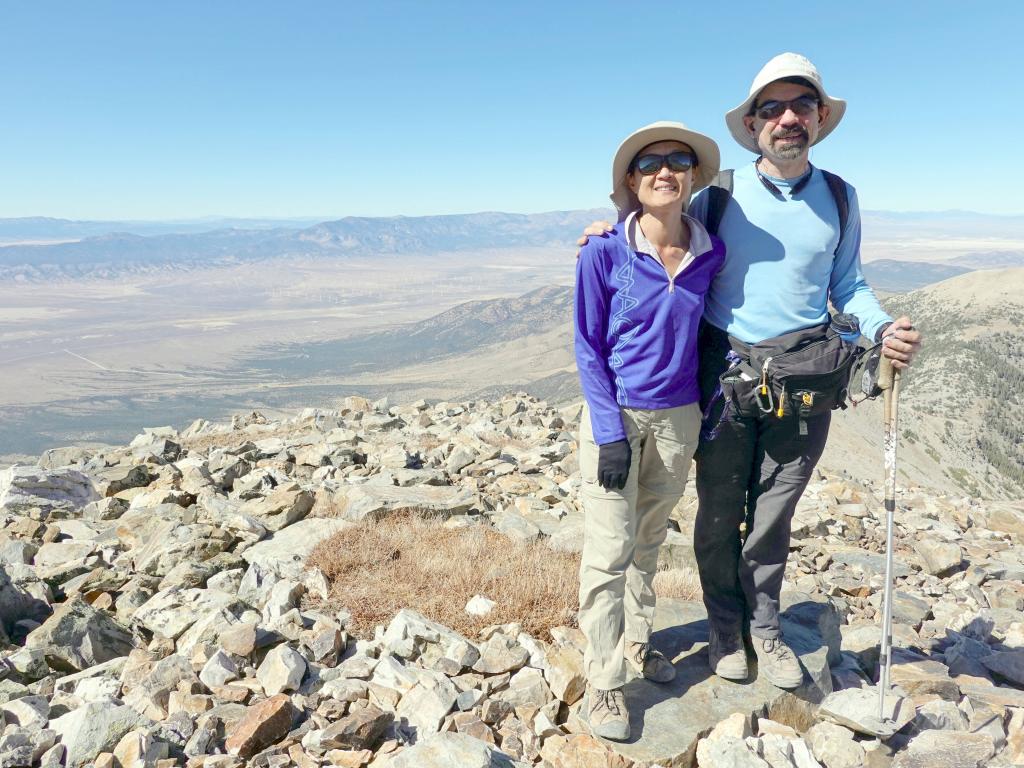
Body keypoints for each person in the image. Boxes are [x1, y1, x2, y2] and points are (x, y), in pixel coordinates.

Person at [576, 53, 923, 691]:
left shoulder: (841, 198)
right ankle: (724, 629)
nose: (788, 119)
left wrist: (880, 328)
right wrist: (608, 229)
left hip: (803, 380)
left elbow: (847, 282)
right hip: (723, 379)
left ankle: (765, 628)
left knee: (773, 514)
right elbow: (658, 233)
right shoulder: (718, 196)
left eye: (801, 107)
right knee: (715, 513)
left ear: (819, 119)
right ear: (754, 123)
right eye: (773, 108)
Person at [574, 121, 725, 740]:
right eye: (651, 163)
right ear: (632, 182)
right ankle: (604, 683)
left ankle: (636, 643)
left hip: (678, 417)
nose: (666, 170)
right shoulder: (604, 249)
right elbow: (587, 345)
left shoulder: (709, 251)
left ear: (692, 176)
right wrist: (609, 431)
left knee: (648, 541)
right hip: (618, 415)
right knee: (609, 549)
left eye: (679, 160)